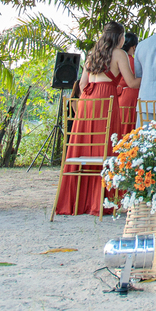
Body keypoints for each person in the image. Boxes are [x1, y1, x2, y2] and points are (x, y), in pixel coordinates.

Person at [55, 21, 129, 216]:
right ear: (120, 37)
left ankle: (78, 201)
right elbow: (130, 81)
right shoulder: (119, 54)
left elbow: (82, 84)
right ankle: (101, 200)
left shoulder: (92, 54)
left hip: (87, 103)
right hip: (107, 102)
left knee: (85, 146)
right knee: (106, 147)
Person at [115, 32, 140, 136]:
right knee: (129, 127)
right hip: (130, 96)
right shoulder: (133, 62)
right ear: (134, 47)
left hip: (117, 96)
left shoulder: (115, 58)